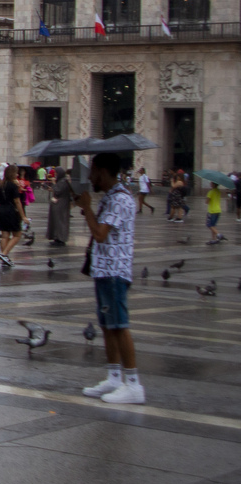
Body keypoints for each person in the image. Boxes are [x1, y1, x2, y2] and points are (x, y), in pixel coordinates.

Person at [76, 153, 144, 403]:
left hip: (114, 271)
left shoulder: (120, 199)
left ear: (102, 171)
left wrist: (87, 208)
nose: (90, 177)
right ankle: (114, 377)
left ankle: (133, 385)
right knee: (107, 325)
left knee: (119, 326)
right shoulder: (110, 197)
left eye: (93, 171)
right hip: (104, 270)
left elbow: (100, 234)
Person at [0, 164, 26, 267]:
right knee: (17, 235)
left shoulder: (0, 185)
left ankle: (4, 258)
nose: (17, 174)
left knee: (5, 235)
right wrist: (23, 216)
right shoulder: (13, 186)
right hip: (11, 211)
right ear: (12, 174)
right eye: (16, 173)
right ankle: (4, 254)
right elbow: (17, 202)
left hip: (1, 210)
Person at [47, 166, 73, 247]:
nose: (55, 175)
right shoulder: (61, 181)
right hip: (58, 204)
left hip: (61, 204)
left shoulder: (63, 181)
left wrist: (54, 184)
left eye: (56, 173)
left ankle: (60, 239)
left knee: (60, 221)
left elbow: (58, 191)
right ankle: (57, 237)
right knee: (56, 221)